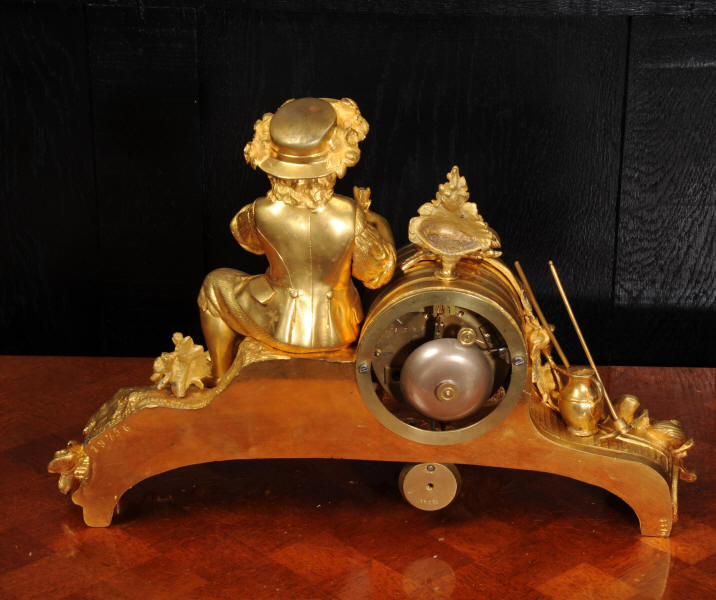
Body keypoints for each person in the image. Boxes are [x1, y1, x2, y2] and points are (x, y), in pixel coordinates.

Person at [198, 97, 396, 377]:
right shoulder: (350, 213)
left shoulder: (258, 211)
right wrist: (380, 224)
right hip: (340, 330)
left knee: (214, 284)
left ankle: (219, 376)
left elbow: (250, 244)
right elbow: (376, 274)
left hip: (280, 325)